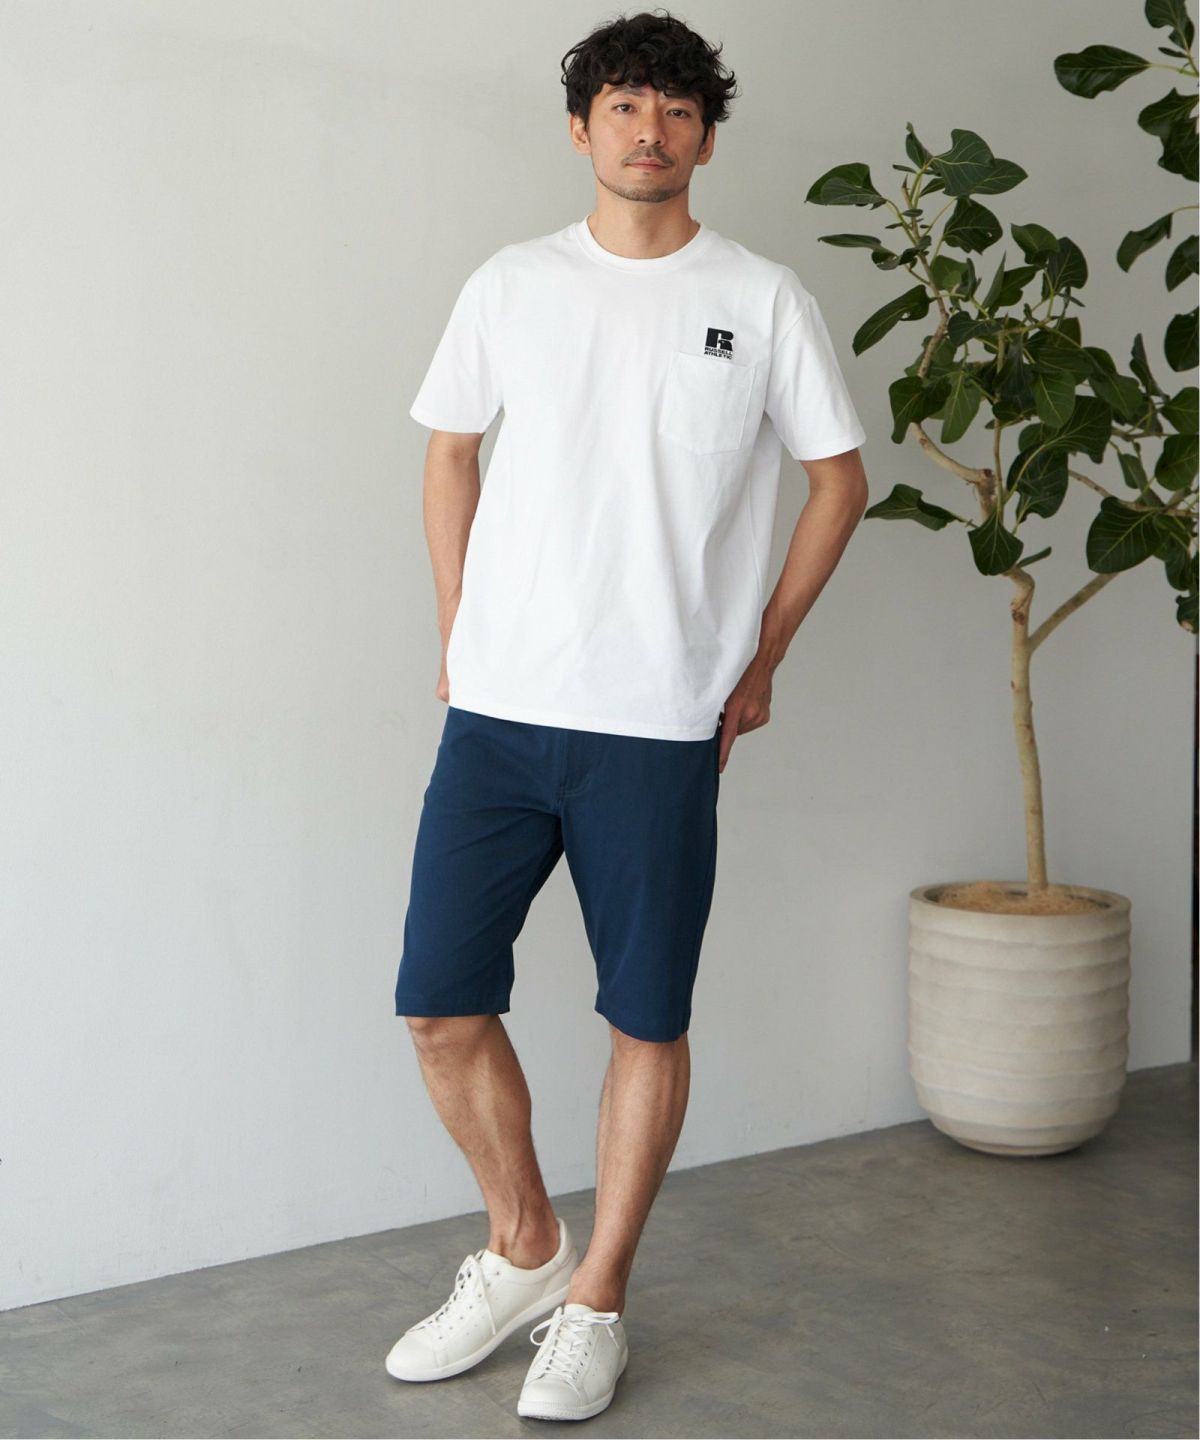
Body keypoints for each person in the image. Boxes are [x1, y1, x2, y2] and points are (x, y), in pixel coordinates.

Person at [385, 8, 869, 1422]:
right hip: (499, 711)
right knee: (438, 1002)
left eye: (675, 109)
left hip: (658, 722)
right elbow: (451, 452)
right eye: (623, 105)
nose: (648, 129)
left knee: (645, 1016)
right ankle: (524, 1246)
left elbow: (839, 480)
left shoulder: (761, 298)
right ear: (581, 127)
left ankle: (595, 1298)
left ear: (705, 137)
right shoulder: (513, 283)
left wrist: (762, 656)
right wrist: (457, 625)